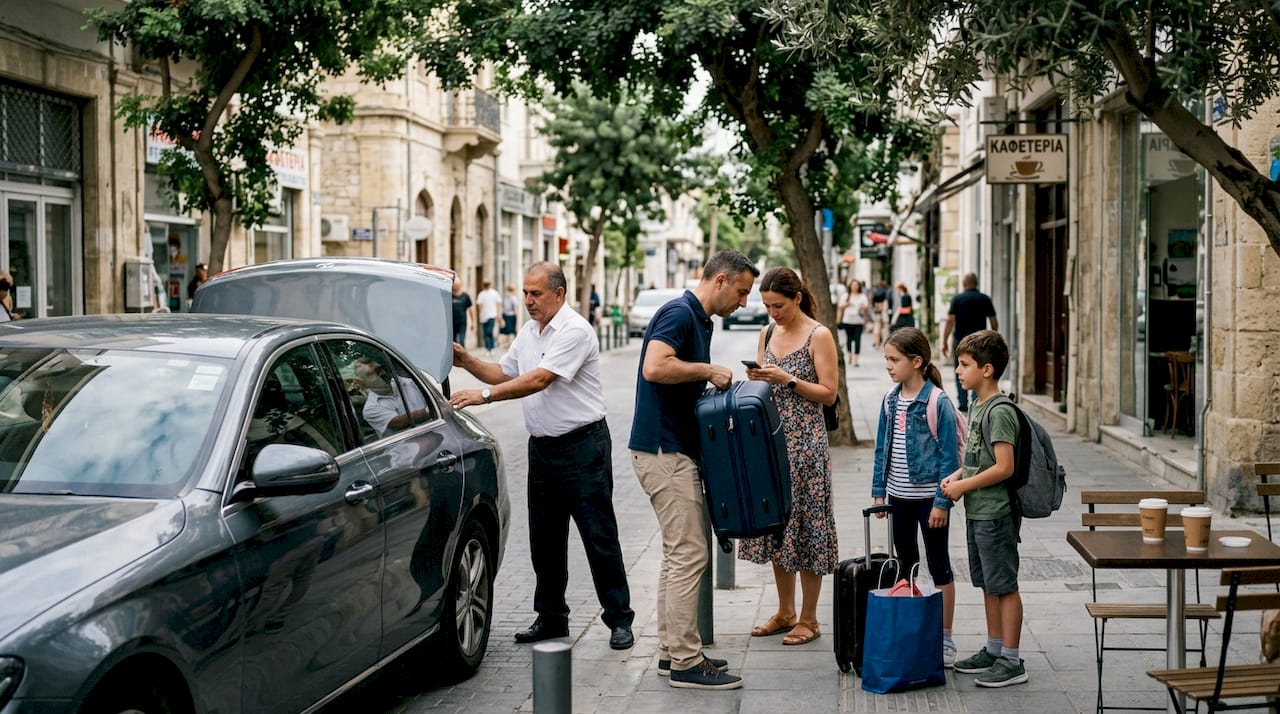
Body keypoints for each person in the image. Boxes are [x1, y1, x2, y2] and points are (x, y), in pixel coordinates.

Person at [450, 262, 635, 651]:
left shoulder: (575, 330)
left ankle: (619, 619)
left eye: (536, 294)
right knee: (545, 541)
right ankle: (551, 618)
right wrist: (468, 362)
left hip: (583, 447)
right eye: (526, 293)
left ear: (559, 293)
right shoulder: (530, 331)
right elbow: (505, 372)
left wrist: (482, 398)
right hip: (544, 450)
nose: (528, 301)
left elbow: (539, 379)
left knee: (598, 536)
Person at [629, 249, 758, 690]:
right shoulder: (680, 313)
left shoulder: (699, 319)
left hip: (668, 449)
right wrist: (706, 370)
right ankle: (685, 663)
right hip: (664, 452)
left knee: (676, 555)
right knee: (690, 555)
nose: (743, 303)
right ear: (720, 280)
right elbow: (655, 366)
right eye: (741, 292)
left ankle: (672, 653)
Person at [739, 267, 839, 648]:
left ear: (797, 298)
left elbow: (829, 393)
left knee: (809, 529)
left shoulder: (820, 335)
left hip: (807, 446)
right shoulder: (766, 333)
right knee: (780, 528)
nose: (772, 313)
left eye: (778, 305)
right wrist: (758, 382)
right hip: (773, 443)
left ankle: (810, 619)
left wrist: (788, 380)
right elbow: (763, 390)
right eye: (766, 306)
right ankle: (785, 611)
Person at [940, 329, 1028, 688]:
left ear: (987, 369)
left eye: (964, 365)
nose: (958, 371)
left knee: (1004, 585)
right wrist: (957, 475)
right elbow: (980, 458)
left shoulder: (1000, 411)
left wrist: (962, 485)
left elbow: (1004, 467)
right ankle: (994, 650)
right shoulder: (976, 404)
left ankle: (1012, 659)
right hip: (978, 511)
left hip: (995, 513)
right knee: (988, 584)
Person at [871, 326, 961, 668]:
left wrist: (942, 502)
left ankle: (946, 637)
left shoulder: (938, 401)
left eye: (894, 360)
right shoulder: (889, 401)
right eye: (886, 360)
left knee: (939, 565)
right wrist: (879, 494)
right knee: (905, 563)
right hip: (898, 498)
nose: (888, 366)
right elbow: (882, 449)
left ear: (917, 361)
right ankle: (911, 628)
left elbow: (949, 458)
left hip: (930, 499)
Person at [941, 273, 999, 412]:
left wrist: (944, 341)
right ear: (976, 283)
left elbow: (950, 321)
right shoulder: (985, 299)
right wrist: (993, 337)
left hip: (960, 342)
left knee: (960, 370)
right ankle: (976, 399)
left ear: (964, 284)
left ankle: (962, 402)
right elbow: (993, 322)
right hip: (980, 342)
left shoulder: (957, 299)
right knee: (979, 369)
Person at [353, 356, 432, 437]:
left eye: (380, 369)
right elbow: (398, 423)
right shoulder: (370, 409)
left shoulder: (407, 383)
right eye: (374, 373)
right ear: (361, 383)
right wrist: (430, 410)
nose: (382, 373)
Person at [837, 280, 870, 366]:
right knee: (849, 339)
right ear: (850, 286)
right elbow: (840, 306)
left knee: (858, 340)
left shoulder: (862, 296)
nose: (855, 287)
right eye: (853, 285)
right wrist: (846, 304)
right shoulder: (846, 295)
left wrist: (864, 307)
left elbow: (867, 306)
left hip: (858, 321)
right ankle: (849, 355)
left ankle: (856, 360)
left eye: (856, 285)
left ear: (859, 286)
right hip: (847, 321)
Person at [476, 280, 501, 356]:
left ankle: (491, 348)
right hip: (484, 316)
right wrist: (482, 314)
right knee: (486, 333)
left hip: (492, 315)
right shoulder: (481, 294)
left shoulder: (494, 293)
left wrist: (498, 314)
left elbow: (498, 304)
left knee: (488, 332)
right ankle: (488, 348)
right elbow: (480, 306)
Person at [451, 279, 473, 347]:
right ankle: (455, 356)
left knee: (461, 341)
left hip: (462, 322)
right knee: (453, 341)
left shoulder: (465, 296)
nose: (455, 287)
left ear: (460, 286)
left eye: (457, 285)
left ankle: (462, 355)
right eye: (454, 285)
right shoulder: (449, 295)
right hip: (451, 322)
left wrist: (473, 322)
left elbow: (471, 309)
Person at [870, 281, 890, 348]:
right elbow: (886, 303)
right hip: (884, 313)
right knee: (885, 329)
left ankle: (876, 343)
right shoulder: (887, 293)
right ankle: (884, 343)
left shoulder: (875, 293)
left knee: (877, 328)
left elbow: (873, 304)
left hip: (877, 313)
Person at [500, 283, 519, 348]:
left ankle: (507, 343)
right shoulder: (513, 297)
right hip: (511, 315)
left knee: (506, 330)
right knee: (511, 330)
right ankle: (510, 343)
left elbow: (503, 306)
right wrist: (516, 315)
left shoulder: (505, 297)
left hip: (505, 314)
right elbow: (515, 308)